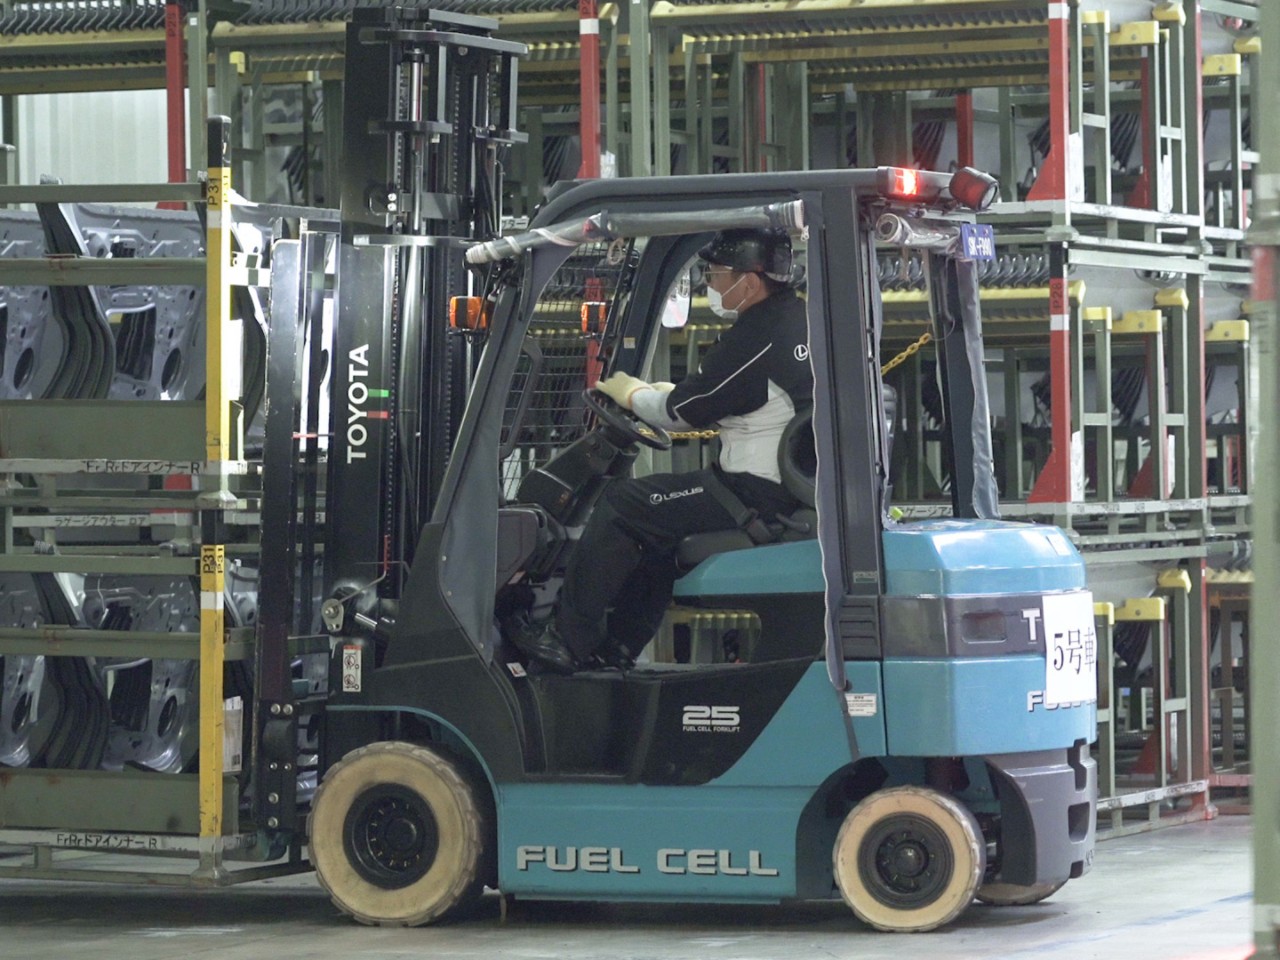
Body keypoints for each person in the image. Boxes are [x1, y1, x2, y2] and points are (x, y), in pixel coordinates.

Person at [513, 227, 813, 674]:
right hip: (780, 486)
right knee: (657, 530)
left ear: (749, 281)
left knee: (622, 505)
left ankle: (564, 639)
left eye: (715, 274)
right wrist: (660, 394)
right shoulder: (795, 320)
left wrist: (633, 395)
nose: (711, 284)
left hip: (758, 494)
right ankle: (614, 650)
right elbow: (725, 397)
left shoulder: (757, 336)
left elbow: (681, 413)